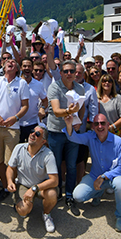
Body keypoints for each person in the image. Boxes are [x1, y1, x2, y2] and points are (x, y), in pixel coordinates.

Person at [63, 113, 121, 232]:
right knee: (78, 196)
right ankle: (98, 193)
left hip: (114, 176)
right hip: (95, 175)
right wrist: (69, 124)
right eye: (96, 124)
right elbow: (73, 138)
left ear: (108, 125)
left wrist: (105, 177)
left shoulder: (118, 142)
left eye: (103, 123)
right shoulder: (90, 137)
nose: (100, 126)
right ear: (93, 126)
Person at [0, 55, 29, 203]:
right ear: (3, 67)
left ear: (17, 69)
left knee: (10, 162)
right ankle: (5, 188)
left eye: (13, 62)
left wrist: (15, 118)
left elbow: (25, 106)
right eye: (7, 61)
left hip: (13, 128)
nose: (10, 62)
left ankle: (12, 186)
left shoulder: (22, 83)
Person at [46, 60, 85, 215]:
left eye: (72, 71)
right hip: (56, 130)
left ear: (76, 73)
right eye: (66, 71)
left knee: (71, 166)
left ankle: (69, 196)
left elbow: (81, 108)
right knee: (54, 166)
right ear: (60, 73)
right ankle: (55, 193)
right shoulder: (54, 87)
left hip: (72, 133)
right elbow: (56, 111)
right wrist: (69, 112)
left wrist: (79, 122)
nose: (69, 74)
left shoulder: (80, 87)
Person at [5, 124, 59, 233]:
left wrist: (34, 189)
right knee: (23, 210)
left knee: (52, 194)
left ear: (43, 141)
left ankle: (46, 214)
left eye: (37, 134)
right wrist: (10, 181)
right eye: (32, 131)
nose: (33, 134)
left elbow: (54, 180)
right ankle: (26, 205)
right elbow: (10, 168)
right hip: (23, 184)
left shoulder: (48, 154)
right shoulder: (19, 148)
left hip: (40, 186)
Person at [18, 58, 48, 142]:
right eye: (24, 66)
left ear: (32, 68)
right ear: (20, 68)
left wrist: (42, 108)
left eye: (29, 66)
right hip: (16, 124)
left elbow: (45, 101)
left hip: (32, 123)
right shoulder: (15, 83)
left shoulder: (38, 84)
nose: (27, 68)